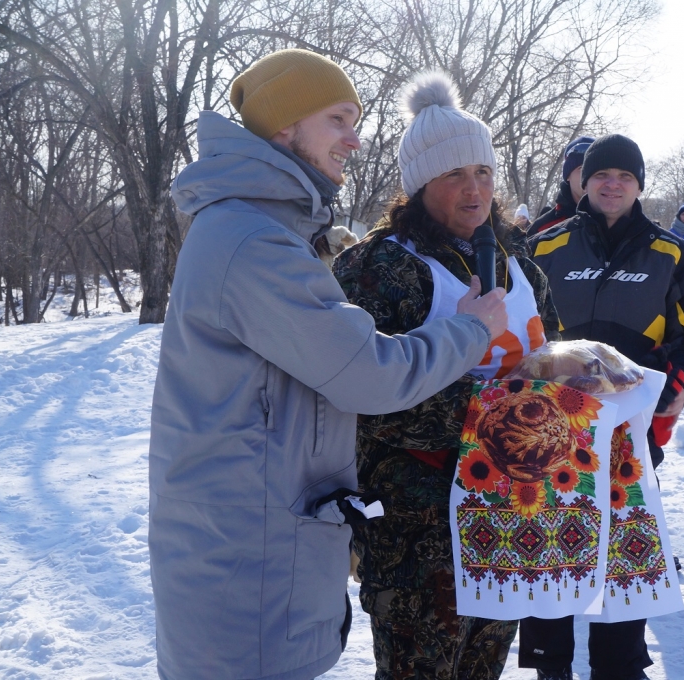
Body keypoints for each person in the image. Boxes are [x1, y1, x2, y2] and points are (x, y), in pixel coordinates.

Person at [149, 51, 508, 680]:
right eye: (339, 118)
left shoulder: (267, 229)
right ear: (287, 126)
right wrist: (474, 330)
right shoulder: (249, 240)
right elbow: (367, 371)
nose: (356, 138)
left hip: (266, 539)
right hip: (247, 556)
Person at [333, 71, 558, 680]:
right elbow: (361, 394)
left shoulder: (519, 266)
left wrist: (584, 386)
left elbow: (551, 356)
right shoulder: (378, 268)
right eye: (454, 174)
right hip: (418, 523)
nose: (474, 188)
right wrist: (505, 414)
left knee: (484, 666)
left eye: (483, 172)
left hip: (511, 505)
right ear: (418, 185)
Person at [526, 134, 684, 680]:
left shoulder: (673, 253)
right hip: (550, 428)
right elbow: (518, 333)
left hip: (630, 429)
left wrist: (679, 384)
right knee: (551, 548)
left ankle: (620, 666)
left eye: (625, 177)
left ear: (639, 185)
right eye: (602, 174)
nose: (612, 184)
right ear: (584, 180)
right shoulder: (543, 246)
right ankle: (548, 666)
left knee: (622, 548)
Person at [528, 135, 594, 235]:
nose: (588, 176)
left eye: (595, 171)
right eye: (581, 169)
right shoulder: (543, 229)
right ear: (568, 176)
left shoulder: (618, 223)